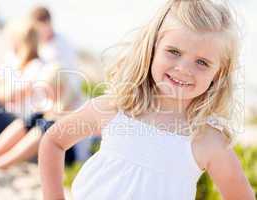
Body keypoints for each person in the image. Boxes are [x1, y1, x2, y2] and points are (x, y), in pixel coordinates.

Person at [38, 0, 255, 199]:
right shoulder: (116, 109)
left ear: (219, 73)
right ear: (152, 49)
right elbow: (53, 141)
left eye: (202, 62)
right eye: (174, 51)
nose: (183, 69)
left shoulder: (207, 140)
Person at [30, 6, 92, 162]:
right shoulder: (44, 46)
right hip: (57, 98)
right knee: (33, 121)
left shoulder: (61, 46)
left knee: (45, 126)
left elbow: (67, 79)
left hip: (70, 151)